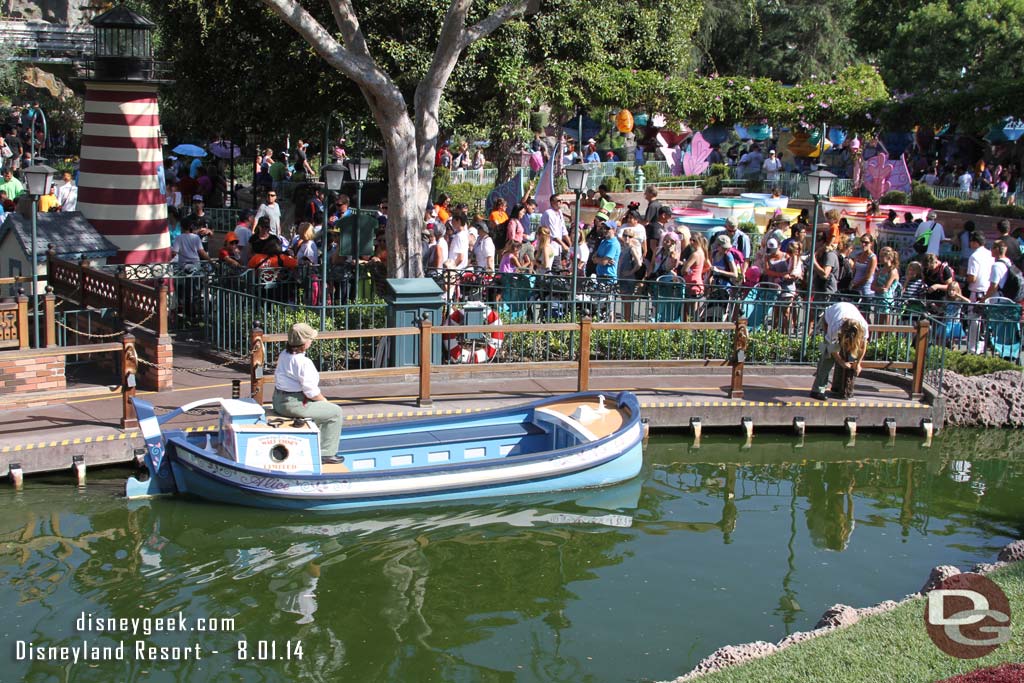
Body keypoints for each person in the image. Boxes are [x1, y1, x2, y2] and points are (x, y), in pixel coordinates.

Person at [272, 323, 344, 463]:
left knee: (324, 411)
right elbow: (311, 392)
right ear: (304, 343)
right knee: (335, 412)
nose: (312, 341)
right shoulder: (304, 362)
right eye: (310, 339)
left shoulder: (284, 354)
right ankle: (326, 453)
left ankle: (316, 444)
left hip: (278, 401)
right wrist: (324, 401)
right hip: (294, 404)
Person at [809, 301, 869, 401]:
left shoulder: (863, 327)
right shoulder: (835, 327)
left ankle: (839, 387)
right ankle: (817, 390)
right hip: (829, 318)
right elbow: (832, 347)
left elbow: (863, 346)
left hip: (846, 310)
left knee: (851, 356)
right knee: (827, 357)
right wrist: (841, 362)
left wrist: (858, 363)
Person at [965, 231, 993, 302]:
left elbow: (972, 278)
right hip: (989, 292)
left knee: (973, 312)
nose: (970, 243)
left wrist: (964, 279)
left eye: (971, 241)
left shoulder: (974, 256)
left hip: (977, 292)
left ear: (976, 242)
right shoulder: (990, 254)